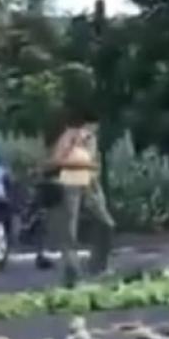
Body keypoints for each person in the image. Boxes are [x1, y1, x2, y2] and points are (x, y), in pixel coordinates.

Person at [48, 109, 115, 286]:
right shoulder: (69, 136)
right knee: (69, 233)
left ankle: (98, 266)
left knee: (106, 224)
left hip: (90, 184)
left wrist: (94, 171)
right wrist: (83, 162)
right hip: (71, 183)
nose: (93, 131)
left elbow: (95, 163)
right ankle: (72, 275)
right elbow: (56, 160)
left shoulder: (91, 140)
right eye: (92, 127)